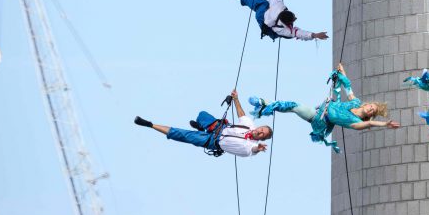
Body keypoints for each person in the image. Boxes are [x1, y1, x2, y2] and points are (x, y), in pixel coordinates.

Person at [249, 63, 400, 153]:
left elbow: (369, 124)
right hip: (321, 110)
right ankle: (265, 104)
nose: (370, 110)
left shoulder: (356, 122)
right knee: (293, 105)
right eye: (371, 107)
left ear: (370, 115)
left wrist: (384, 124)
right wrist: (342, 72)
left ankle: (265, 107)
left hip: (320, 120)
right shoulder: (355, 102)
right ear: (367, 104)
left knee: (294, 108)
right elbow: (348, 87)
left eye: (372, 111)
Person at [134, 89, 272, 157]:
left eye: (262, 135)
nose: (259, 132)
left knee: (182, 135)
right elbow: (241, 114)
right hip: (220, 127)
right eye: (261, 129)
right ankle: (202, 127)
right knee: (202, 114)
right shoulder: (249, 125)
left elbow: (251, 150)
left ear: (261, 139)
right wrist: (235, 99)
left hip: (213, 141)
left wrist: (258, 149)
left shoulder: (251, 147)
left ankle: (150, 125)